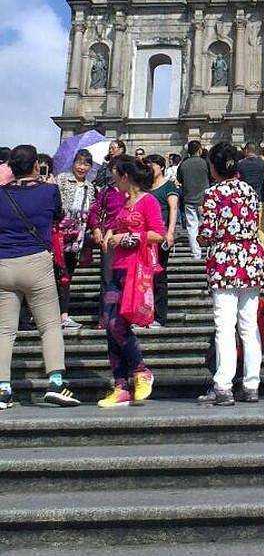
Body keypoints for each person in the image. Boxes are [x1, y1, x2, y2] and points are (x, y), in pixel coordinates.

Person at [0, 144, 80, 409]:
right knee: (49, 327)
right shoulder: (49, 191)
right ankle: (56, 383)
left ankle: (3, 389)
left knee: (4, 330)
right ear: (36, 165)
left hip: (4, 264)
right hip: (37, 262)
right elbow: (58, 216)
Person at [197, 142, 264, 404]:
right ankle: (251, 385)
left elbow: (207, 232)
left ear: (213, 167)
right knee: (249, 327)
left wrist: (203, 239)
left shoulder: (213, 194)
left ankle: (223, 386)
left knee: (224, 326)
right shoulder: (250, 191)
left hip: (225, 260)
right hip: (250, 259)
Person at [98, 156, 165, 408]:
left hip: (136, 270)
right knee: (111, 325)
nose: (113, 178)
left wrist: (125, 239)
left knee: (117, 324)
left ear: (125, 176)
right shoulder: (126, 202)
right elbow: (117, 228)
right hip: (117, 269)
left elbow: (157, 233)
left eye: (115, 173)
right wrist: (109, 233)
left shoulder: (148, 201)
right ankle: (120, 385)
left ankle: (140, 371)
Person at [55, 149, 96, 333]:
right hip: (58, 235)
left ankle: (63, 315)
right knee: (54, 274)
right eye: (79, 162)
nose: (82, 167)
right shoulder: (62, 179)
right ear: (73, 163)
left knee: (67, 276)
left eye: (86, 164)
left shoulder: (90, 187)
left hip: (76, 238)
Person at [88, 162, 127, 327]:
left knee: (126, 280)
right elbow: (94, 210)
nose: (115, 172)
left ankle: (126, 315)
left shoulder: (134, 192)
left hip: (128, 239)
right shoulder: (106, 192)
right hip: (109, 240)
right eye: (113, 168)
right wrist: (96, 228)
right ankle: (106, 315)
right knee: (108, 280)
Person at [146, 154, 179, 330]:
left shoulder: (168, 186)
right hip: (144, 237)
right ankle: (144, 313)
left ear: (161, 167)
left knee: (159, 276)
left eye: (152, 165)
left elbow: (173, 208)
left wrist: (171, 232)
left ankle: (159, 316)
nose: (150, 168)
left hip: (160, 235)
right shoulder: (144, 186)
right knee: (143, 277)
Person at [177, 140, 210, 260]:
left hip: (189, 198)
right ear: (199, 150)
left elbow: (179, 179)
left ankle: (196, 253)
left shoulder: (183, 164)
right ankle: (208, 251)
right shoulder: (205, 163)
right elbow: (211, 177)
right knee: (205, 225)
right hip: (204, 199)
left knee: (192, 227)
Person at [237, 143, 264, 245]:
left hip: (244, 200)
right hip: (260, 198)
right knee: (260, 229)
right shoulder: (263, 164)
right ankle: (262, 253)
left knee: (245, 228)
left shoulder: (240, 164)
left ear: (246, 150)